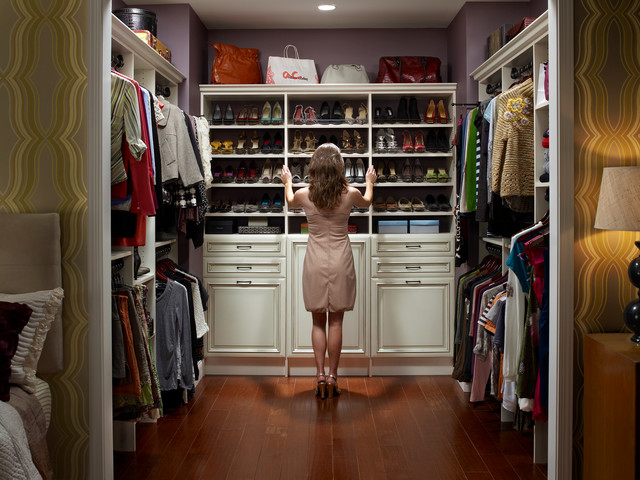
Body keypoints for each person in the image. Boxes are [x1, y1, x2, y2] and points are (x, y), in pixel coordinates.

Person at [281, 143, 376, 399]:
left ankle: (320, 375)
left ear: (314, 167)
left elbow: (290, 203)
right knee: (336, 320)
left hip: (314, 260)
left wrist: (287, 181)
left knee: (317, 320)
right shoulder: (350, 193)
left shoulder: (304, 194)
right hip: (341, 259)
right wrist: (370, 181)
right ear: (339, 167)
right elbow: (367, 203)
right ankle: (334, 376)